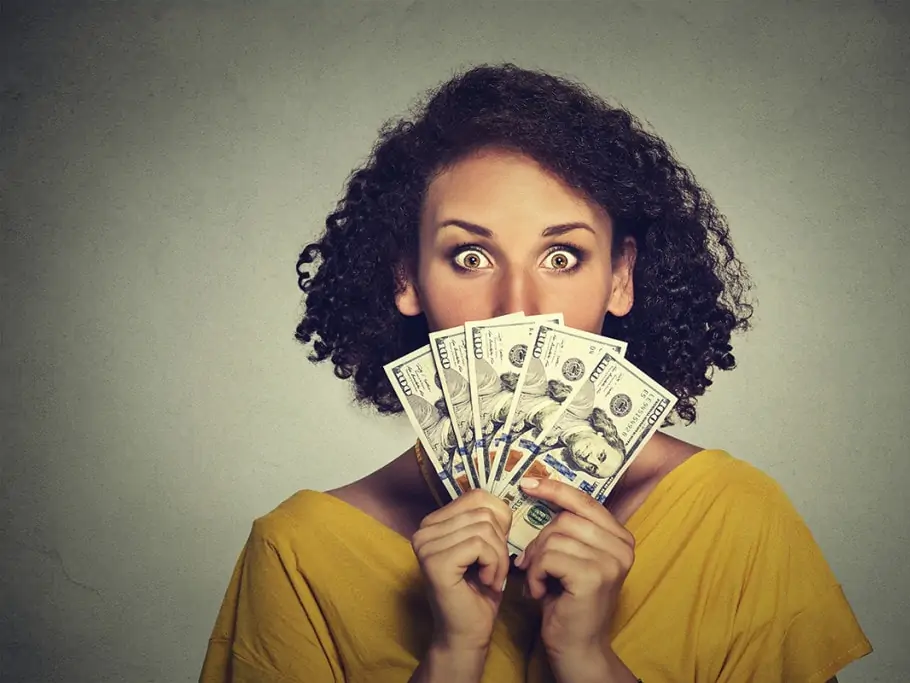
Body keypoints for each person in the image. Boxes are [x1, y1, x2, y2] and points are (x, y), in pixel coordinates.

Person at [199, 63, 872, 683]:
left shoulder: (736, 519)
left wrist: (585, 659)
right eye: (469, 256)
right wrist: (449, 655)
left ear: (621, 276)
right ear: (407, 278)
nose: (518, 307)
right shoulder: (300, 553)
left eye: (561, 257)